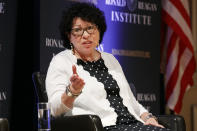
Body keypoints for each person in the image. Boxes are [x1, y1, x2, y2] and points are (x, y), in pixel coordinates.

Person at [46, 2, 170, 131]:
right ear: (68, 35)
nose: (86, 35)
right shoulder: (61, 61)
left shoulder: (110, 59)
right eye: (78, 30)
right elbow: (54, 110)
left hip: (134, 124)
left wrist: (148, 117)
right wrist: (72, 91)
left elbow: (132, 102)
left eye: (90, 28)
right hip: (102, 127)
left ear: (99, 31)